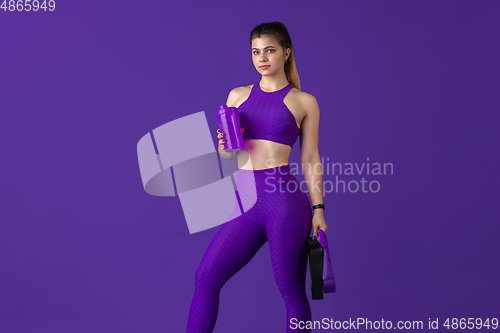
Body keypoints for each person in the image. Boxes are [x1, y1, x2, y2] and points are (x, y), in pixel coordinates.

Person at [186, 21, 327, 333]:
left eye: (270, 51)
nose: (262, 58)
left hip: (284, 202)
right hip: (246, 199)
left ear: (286, 54)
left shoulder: (304, 102)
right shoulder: (237, 95)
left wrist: (318, 210)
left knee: (290, 288)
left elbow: (310, 158)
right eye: (256, 52)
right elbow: (229, 155)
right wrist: (224, 147)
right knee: (206, 278)